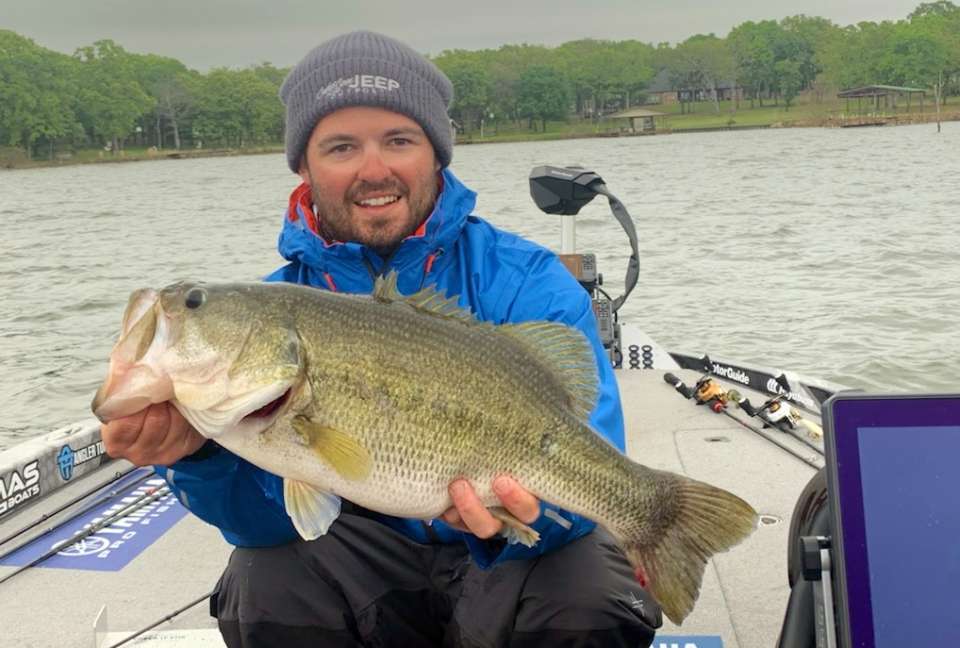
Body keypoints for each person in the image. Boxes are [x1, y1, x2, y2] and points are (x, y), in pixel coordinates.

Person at [101, 30, 661, 647]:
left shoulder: (526, 280)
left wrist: (521, 522)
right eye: (341, 146)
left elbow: (587, 450)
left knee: (591, 597)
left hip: (504, 563)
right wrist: (197, 456)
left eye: (399, 140)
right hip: (368, 563)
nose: (374, 170)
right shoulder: (279, 299)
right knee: (265, 582)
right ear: (304, 166)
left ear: (437, 153)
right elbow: (264, 523)